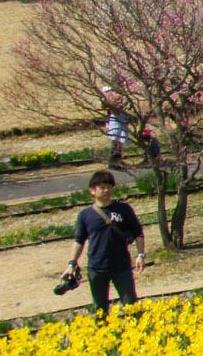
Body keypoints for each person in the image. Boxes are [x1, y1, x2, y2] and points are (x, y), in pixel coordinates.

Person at [62, 170, 147, 314]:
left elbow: (138, 233)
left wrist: (140, 255)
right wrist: (72, 264)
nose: (106, 190)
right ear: (92, 191)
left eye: (109, 186)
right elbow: (79, 241)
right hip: (97, 268)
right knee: (100, 309)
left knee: (131, 305)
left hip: (122, 267)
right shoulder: (85, 215)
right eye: (102, 187)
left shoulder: (123, 209)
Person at [100, 88, 130, 168]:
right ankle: (114, 162)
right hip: (116, 123)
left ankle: (118, 160)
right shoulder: (111, 105)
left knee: (120, 143)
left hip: (120, 121)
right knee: (116, 142)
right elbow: (114, 110)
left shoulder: (118, 101)